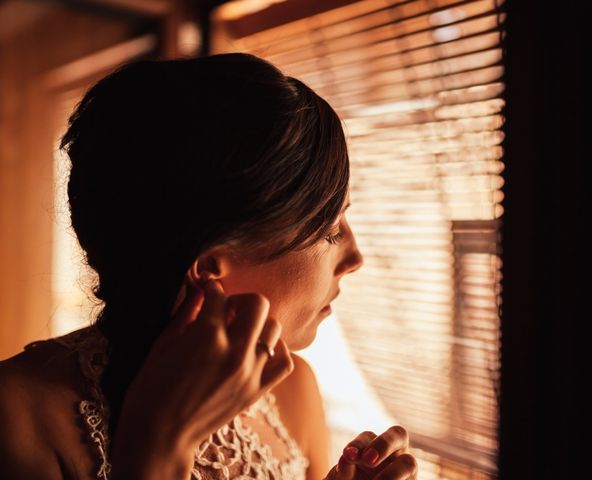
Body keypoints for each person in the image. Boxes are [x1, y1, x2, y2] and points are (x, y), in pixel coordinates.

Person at [0, 53, 418, 480]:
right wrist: (160, 449)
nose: (356, 258)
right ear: (208, 268)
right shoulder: (17, 415)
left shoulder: (292, 389)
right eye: (330, 231)